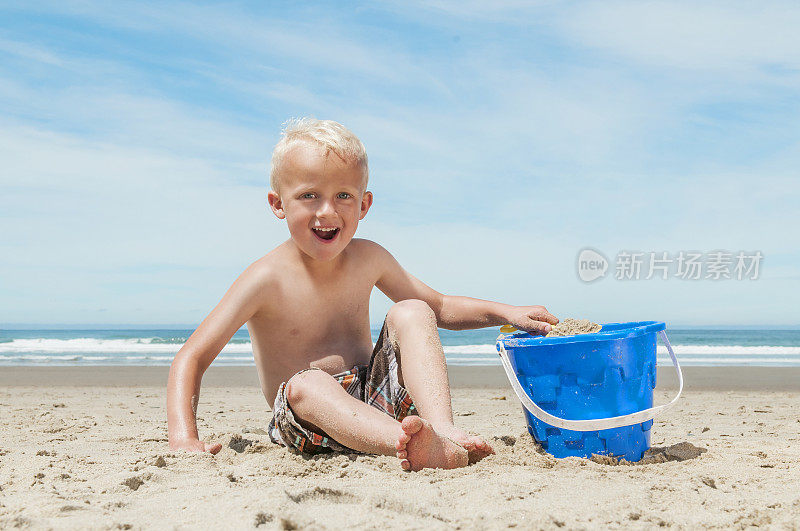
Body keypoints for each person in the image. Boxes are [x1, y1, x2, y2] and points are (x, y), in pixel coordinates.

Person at [166, 118, 559, 471]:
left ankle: (442, 433)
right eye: (308, 196)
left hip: (376, 400)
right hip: (309, 416)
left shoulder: (369, 257)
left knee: (412, 309)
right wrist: (184, 439)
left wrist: (507, 312)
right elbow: (192, 357)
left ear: (364, 204)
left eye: (343, 196)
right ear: (277, 204)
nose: (327, 212)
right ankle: (406, 445)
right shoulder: (264, 279)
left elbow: (440, 307)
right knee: (308, 383)